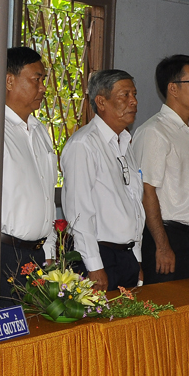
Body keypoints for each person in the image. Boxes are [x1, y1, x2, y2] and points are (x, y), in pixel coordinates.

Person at [133, 55, 189, 284]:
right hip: (166, 238)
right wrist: (162, 246)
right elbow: (146, 191)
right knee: (166, 305)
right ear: (173, 88)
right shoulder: (154, 132)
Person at [61, 70, 145, 292]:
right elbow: (79, 211)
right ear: (101, 102)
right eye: (124, 95)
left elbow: (135, 206)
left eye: (134, 94)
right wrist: (94, 266)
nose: (133, 101)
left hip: (126, 255)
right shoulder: (84, 145)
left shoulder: (124, 143)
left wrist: (136, 259)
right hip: (99, 256)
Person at [0, 47, 57, 307]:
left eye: (43, 80)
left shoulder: (39, 130)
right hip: (4, 254)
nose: (43, 88)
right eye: (37, 79)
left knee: (36, 327)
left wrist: (50, 251)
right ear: (9, 81)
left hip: (38, 254)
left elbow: (47, 195)